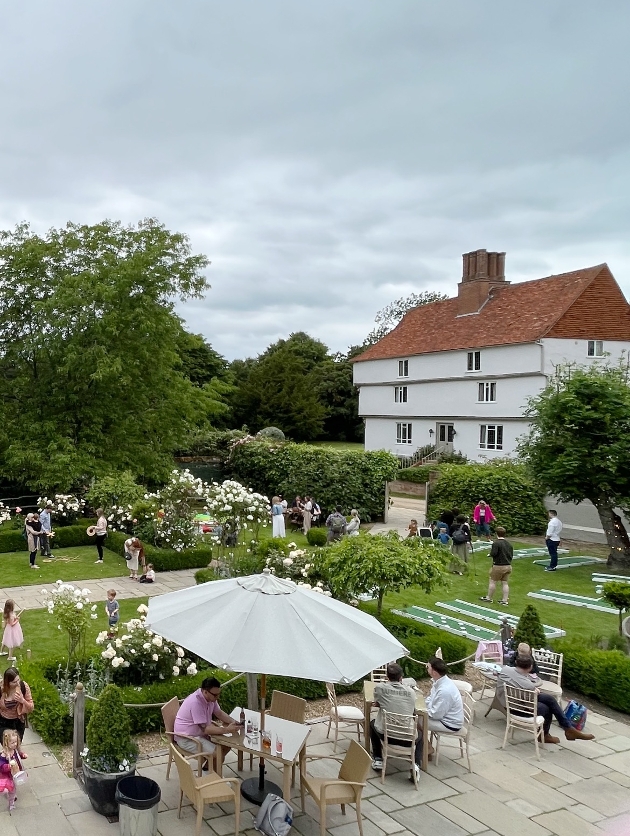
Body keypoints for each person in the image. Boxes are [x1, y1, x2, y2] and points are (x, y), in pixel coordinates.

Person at [497, 656, 594, 744]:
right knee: (546, 708)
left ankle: (568, 729)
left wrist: (533, 691)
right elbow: (530, 705)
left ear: (516, 663)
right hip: (516, 708)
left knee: (549, 698)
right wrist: (534, 691)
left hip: (510, 701)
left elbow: (517, 681)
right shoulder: (528, 685)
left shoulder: (505, 670)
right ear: (530, 667)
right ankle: (546, 735)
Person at [174, 676, 243, 771]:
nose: (217, 697)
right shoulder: (196, 703)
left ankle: (207, 769)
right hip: (187, 738)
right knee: (218, 755)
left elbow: (218, 712)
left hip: (200, 734)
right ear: (205, 692)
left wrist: (233, 722)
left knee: (227, 744)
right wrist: (227, 729)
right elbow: (206, 729)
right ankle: (215, 778)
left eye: (219, 694)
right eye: (215, 695)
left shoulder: (210, 698)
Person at [369, 663, 422, 779]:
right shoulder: (411, 693)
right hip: (408, 738)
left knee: (372, 724)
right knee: (420, 735)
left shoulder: (380, 688)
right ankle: (416, 765)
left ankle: (378, 758)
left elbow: (376, 701)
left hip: (387, 735)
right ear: (401, 678)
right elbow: (413, 710)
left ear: (387, 677)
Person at [419, 657, 464, 767]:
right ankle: (425, 746)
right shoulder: (438, 682)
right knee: (417, 716)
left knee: (417, 720)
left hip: (449, 723)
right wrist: (424, 706)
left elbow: (436, 714)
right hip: (443, 718)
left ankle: (427, 749)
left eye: (427, 667)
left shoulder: (444, 690)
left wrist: (421, 710)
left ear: (434, 672)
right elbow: (430, 698)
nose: (426, 668)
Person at [0, 668, 34, 747]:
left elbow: (31, 707)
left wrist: (22, 700)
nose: (17, 683)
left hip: (18, 722)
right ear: (7, 682)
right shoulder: (1, 689)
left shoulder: (23, 686)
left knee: (15, 746)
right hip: (3, 722)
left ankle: (16, 758)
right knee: (7, 748)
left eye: (18, 680)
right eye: (14, 682)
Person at [480, 526, 513, 605]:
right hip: (508, 565)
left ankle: (489, 598)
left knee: (492, 581)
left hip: (499, 565)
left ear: (496, 534)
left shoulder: (496, 543)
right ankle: (505, 600)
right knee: (504, 582)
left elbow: (494, 553)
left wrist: (490, 554)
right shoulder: (509, 544)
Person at [0, 729, 20, 812]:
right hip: (6, 776)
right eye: (13, 742)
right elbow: (1, 767)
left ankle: (11, 803)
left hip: (14, 774)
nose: (15, 744)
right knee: (5, 790)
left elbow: (18, 756)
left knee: (13, 789)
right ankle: (8, 793)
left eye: (16, 742)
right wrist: (8, 766)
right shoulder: (3, 754)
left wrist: (23, 755)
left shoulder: (14, 750)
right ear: (6, 743)